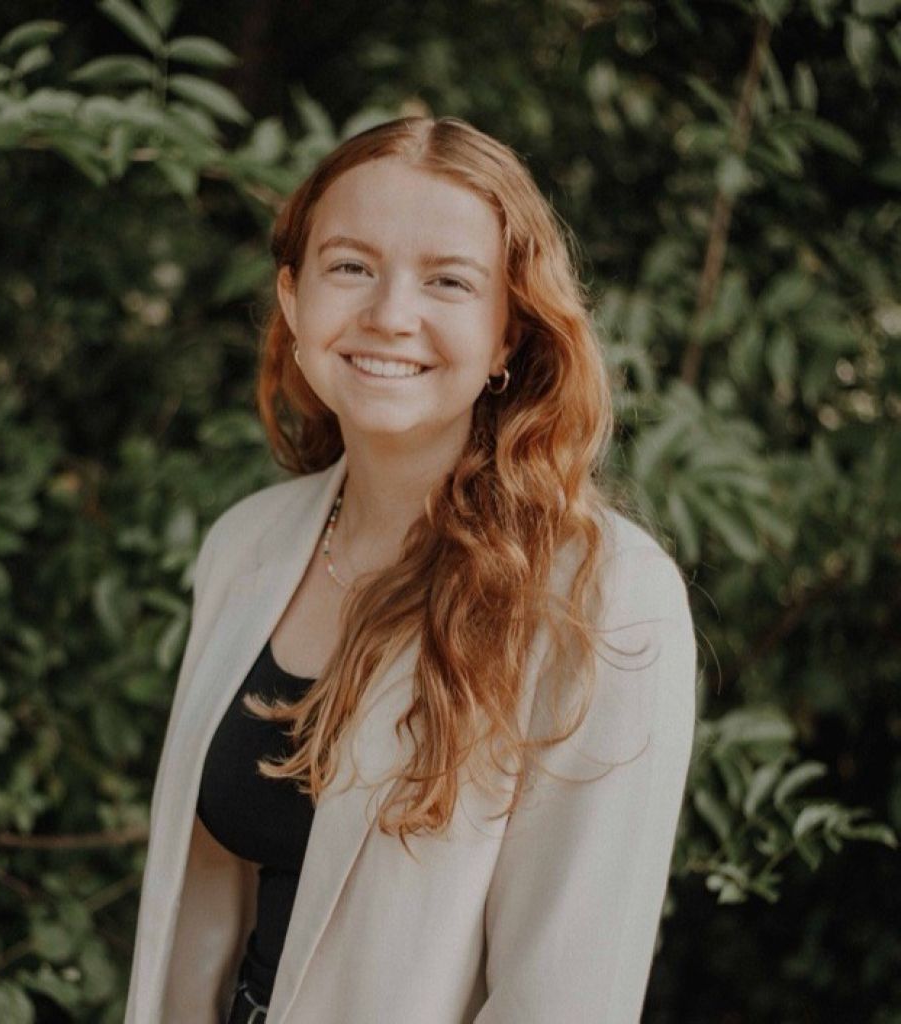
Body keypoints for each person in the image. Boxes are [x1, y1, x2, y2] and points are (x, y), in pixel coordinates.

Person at [124, 115, 697, 1024]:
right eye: (351, 266)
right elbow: (205, 908)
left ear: (508, 334)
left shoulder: (608, 596)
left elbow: (566, 997)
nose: (390, 314)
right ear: (292, 298)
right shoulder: (245, 545)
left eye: (448, 280)